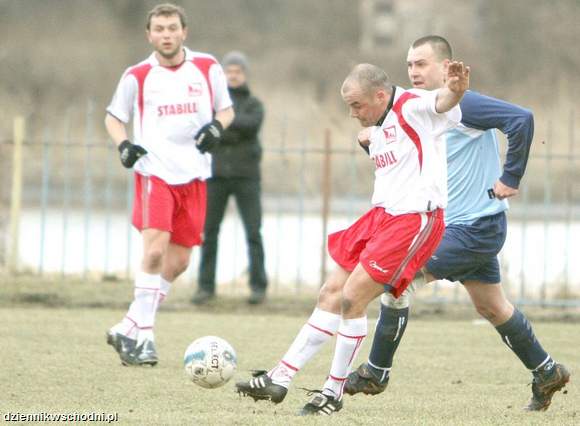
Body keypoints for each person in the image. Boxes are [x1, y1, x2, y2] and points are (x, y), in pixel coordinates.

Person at [344, 35, 570, 412]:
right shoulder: (417, 109)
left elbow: (521, 119)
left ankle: (376, 371)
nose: (414, 71)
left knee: (398, 281)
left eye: (422, 63)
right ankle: (547, 371)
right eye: (410, 64)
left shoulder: (463, 104)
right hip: (455, 226)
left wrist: (510, 178)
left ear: (446, 66)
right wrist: (372, 142)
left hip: (472, 228)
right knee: (493, 308)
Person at [236, 61, 469, 415]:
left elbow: (443, 101)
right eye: (349, 106)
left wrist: (456, 88)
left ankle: (332, 392)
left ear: (380, 94)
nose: (352, 113)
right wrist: (370, 139)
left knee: (351, 299)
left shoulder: (411, 105)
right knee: (329, 293)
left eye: (357, 105)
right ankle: (279, 378)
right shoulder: (378, 125)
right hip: (381, 216)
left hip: (414, 220)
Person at [104, 3, 234, 366]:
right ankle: (144, 337)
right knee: (155, 253)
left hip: (194, 175)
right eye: (159, 29)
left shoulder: (208, 67)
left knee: (178, 262)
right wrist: (124, 145)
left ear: (183, 32)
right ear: (149, 35)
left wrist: (216, 128)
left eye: (172, 28)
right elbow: (114, 118)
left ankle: (127, 324)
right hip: (154, 173)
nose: (166, 34)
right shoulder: (138, 75)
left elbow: (226, 110)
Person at [192, 51, 268, 306]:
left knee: (253, 232)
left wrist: (223, 125)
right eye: (229, 71)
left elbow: (250, 125)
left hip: (247, 176)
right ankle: (205, 287)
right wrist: (225, 126)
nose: (233, 75)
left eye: (238, 71)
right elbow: (208, 127)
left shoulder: (254, 104)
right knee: (209, 232)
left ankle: (258, 287)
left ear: (244, 75)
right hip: (216, 176)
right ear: (222, 74)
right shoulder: (211, 103)